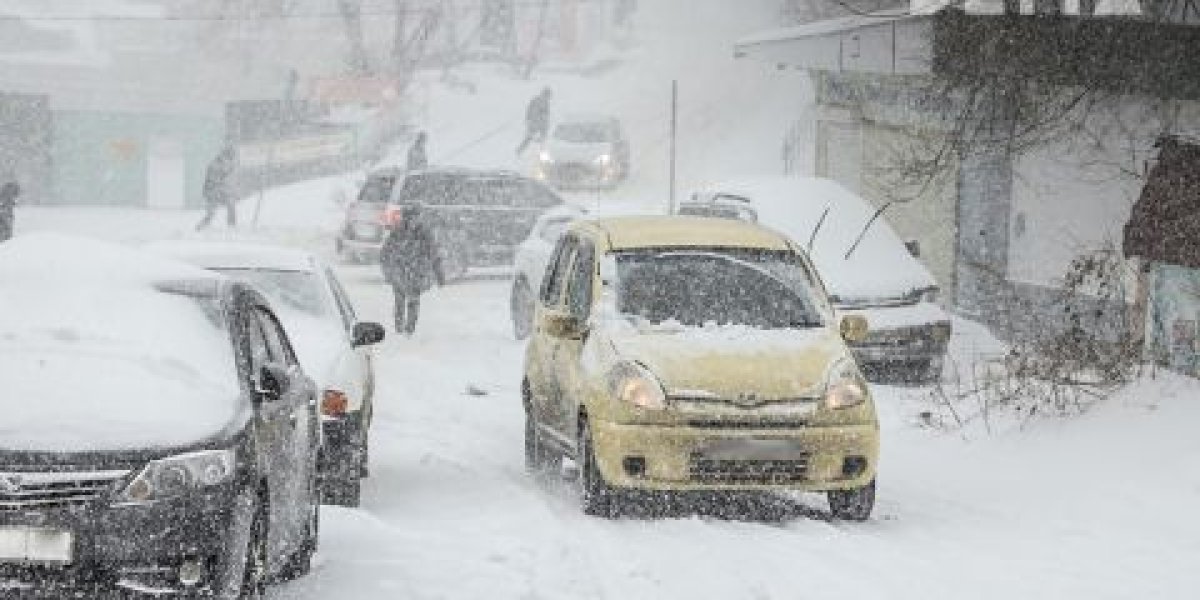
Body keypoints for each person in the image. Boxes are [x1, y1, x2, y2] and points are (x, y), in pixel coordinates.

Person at [380, 203, 445, 336]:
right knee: (402, 301)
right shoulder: (399, 231)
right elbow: (385, 254)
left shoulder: (422, 233)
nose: (414, 220)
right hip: (404, 272)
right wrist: (388, 271)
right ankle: (401, 329)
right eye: (412, 217)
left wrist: (439, 274)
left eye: (416, 217)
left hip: (413, 273)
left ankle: (408, 330)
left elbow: (434, 253)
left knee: (410, 301)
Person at [196, 146, 237, 231]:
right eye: (230, 157)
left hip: (218, 191)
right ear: (225, 156)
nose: (231, 160)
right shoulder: (215, 164)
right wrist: (225, 175)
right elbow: (215, 179)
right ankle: (199, 228)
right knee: (211, 213)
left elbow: (225, 178)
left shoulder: (224, 164)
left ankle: (232, 227)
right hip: (212, 192)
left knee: (231, 206)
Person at [516, 87, 552, 155]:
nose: (549, 97)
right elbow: (545, 115)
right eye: (549, 95)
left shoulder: (535, 99)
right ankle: (542, 155)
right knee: (542, 140)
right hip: (539, 124)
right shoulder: (545, 102)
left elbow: (529, 110)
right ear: (547, 94)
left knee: (528, 138)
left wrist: (527, 119)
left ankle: (519, 150)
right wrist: (546, 126)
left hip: (533, 123)